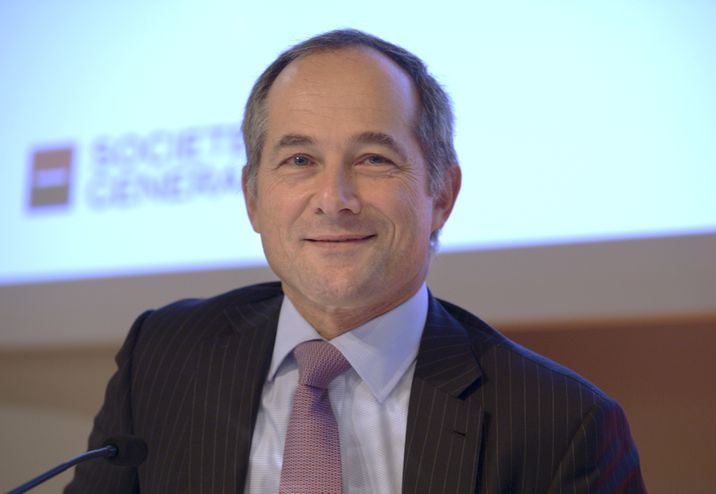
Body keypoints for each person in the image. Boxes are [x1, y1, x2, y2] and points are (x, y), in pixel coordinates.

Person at [66, 29, 646, 493]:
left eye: (373, 159)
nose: (334, 198)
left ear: (441, 194)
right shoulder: (163, 356)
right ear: (252, 198)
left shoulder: (563, 425)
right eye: (298, 160)